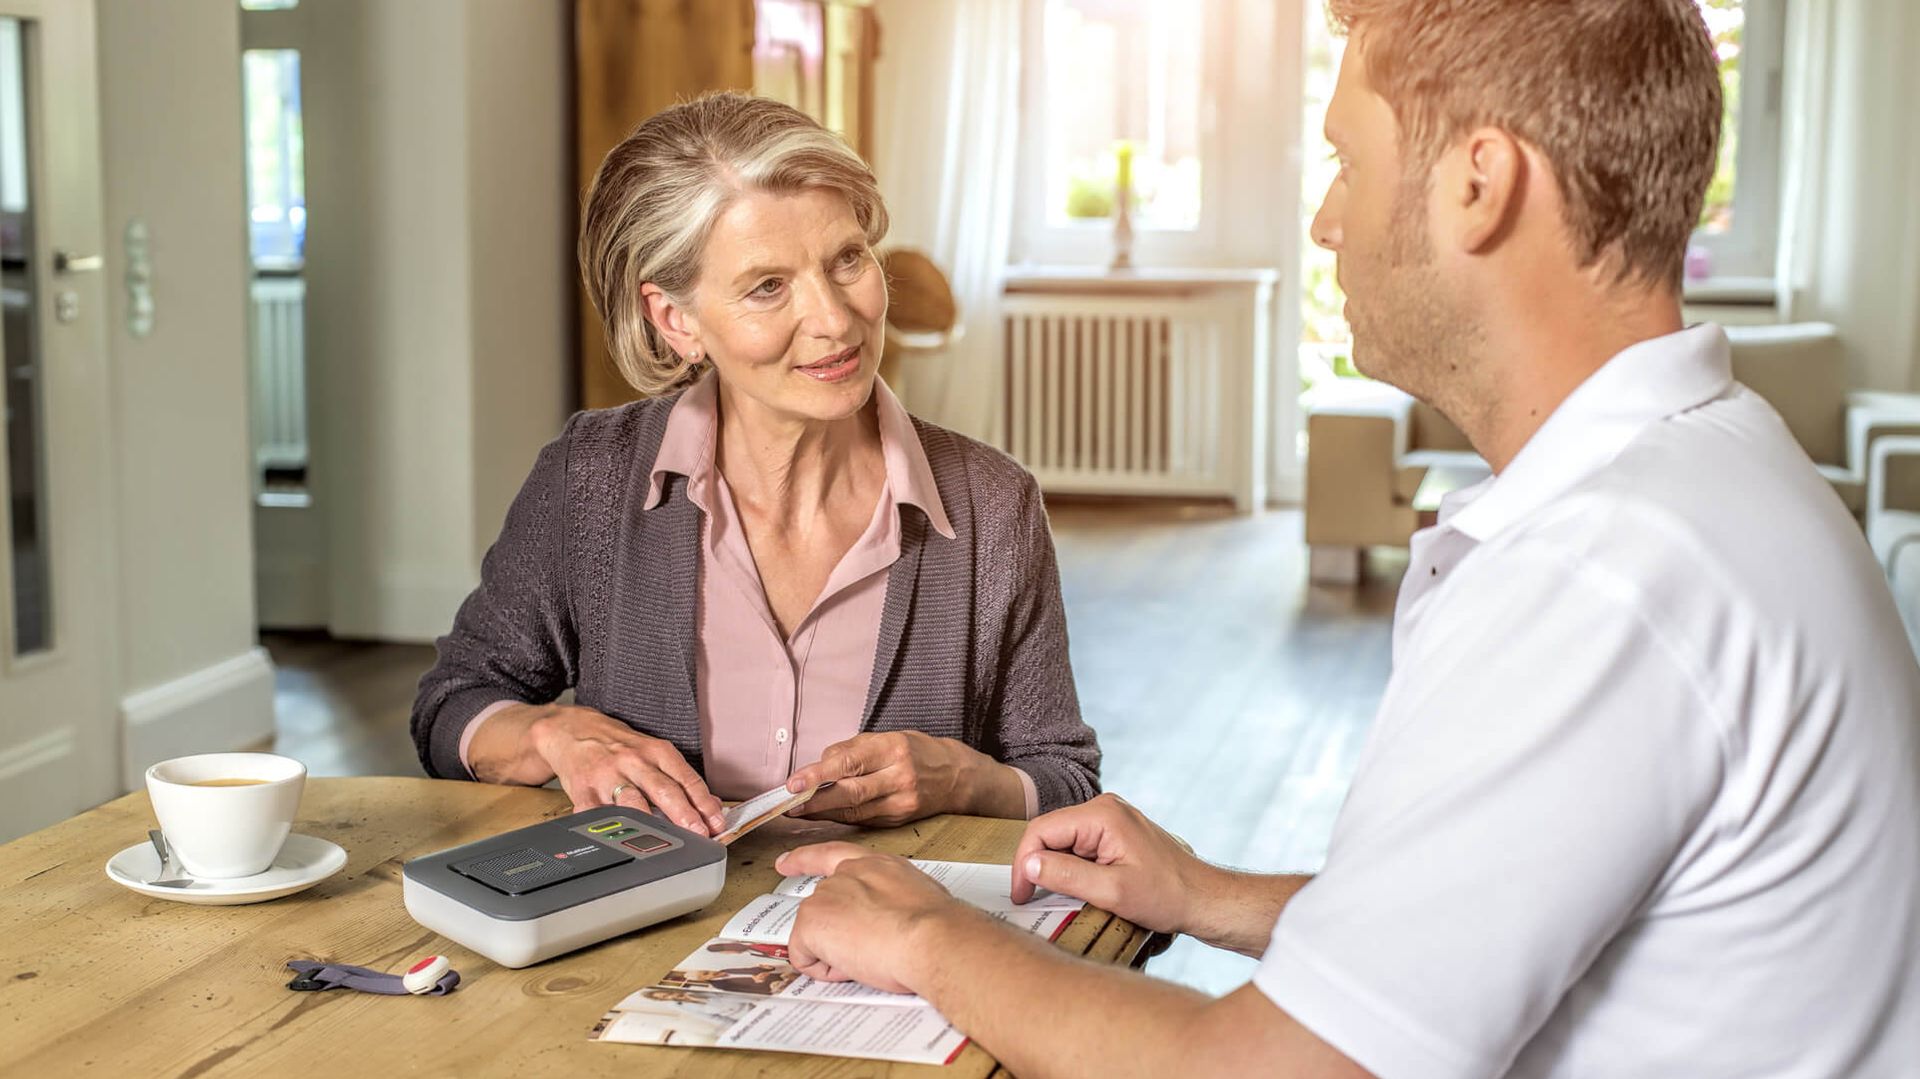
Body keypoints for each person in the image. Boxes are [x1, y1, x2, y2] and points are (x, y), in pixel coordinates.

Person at [774, 2, 1920, 1075]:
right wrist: (1208, 893)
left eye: (1348, 162)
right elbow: (1504, 910)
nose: (1327, 218)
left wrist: (929, 934)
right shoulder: (1713, 464)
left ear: (1481, 184)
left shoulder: (1606, 569)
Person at [409, 93, 1099, 836]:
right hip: (637, 944)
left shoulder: (993, 505)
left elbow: (1064, 779)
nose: (835, 320)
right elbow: (454, 700)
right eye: (768, 287)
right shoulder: (593, 479)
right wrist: (552, 735)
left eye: (847, 259)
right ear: (675, 320)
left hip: (896, 947)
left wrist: (965, 778)